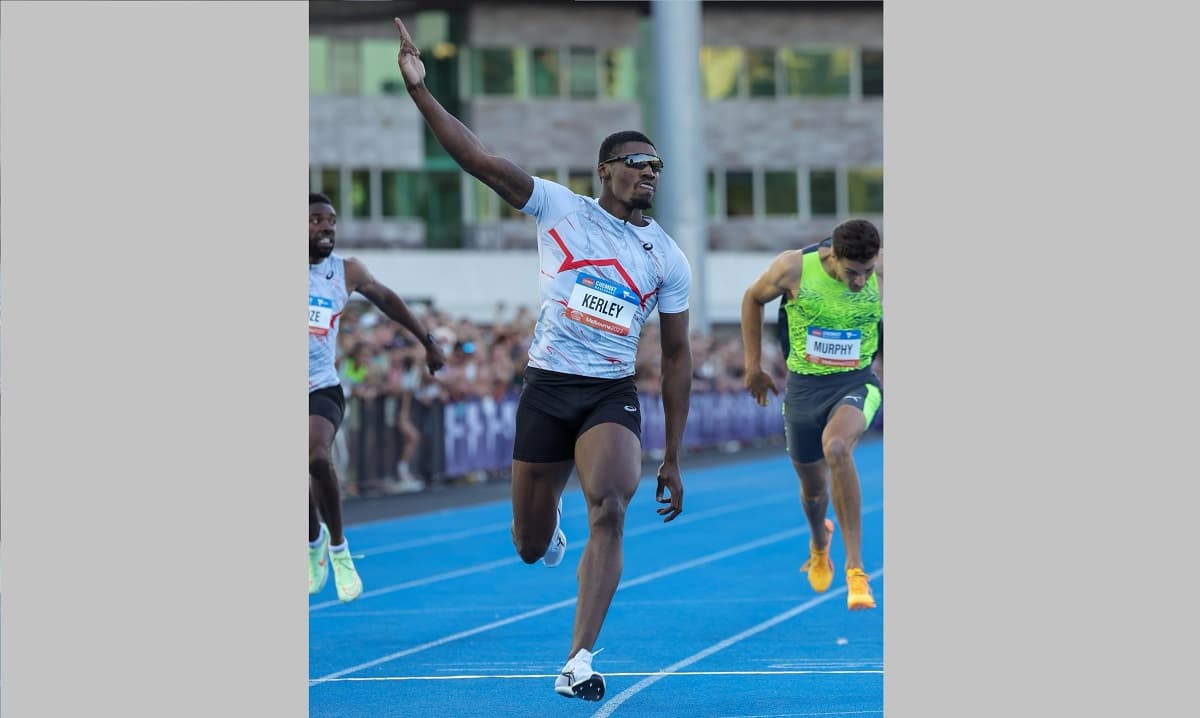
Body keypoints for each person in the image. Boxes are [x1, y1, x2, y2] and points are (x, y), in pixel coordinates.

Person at [392, 17, 693, 702]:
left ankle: (578, 659)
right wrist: (420, 91)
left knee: (612, 507)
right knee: (529, 545)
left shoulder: (667, 257)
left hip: (609, 393)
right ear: (605, 170)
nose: (649, 174)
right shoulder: (559, 208)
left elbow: (676, 360)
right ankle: (546, 526)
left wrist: (673, 453)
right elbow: (479, 160)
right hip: (548, 388)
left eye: (657, 167)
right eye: (637, 164)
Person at [309, 191, 446, 602]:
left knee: (316, 457)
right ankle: (312, 540)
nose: (327, 226)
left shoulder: (345, 271)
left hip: (321, 386)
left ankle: (338, 548)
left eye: (331, 220)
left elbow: (387, 300)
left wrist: (428, 340)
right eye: (316, 220)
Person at [739, 219, 883, 611]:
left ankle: (856, 572)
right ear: (832, 257)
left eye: (867, 272)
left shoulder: (882, 273)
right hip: (803, 389)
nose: (860, 281)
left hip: (858, 383)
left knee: (837, 448)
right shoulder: (794, 267)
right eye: (853, 273)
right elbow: (752, 299)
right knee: (813, 491)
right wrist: (753, 366)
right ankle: (820, 542)